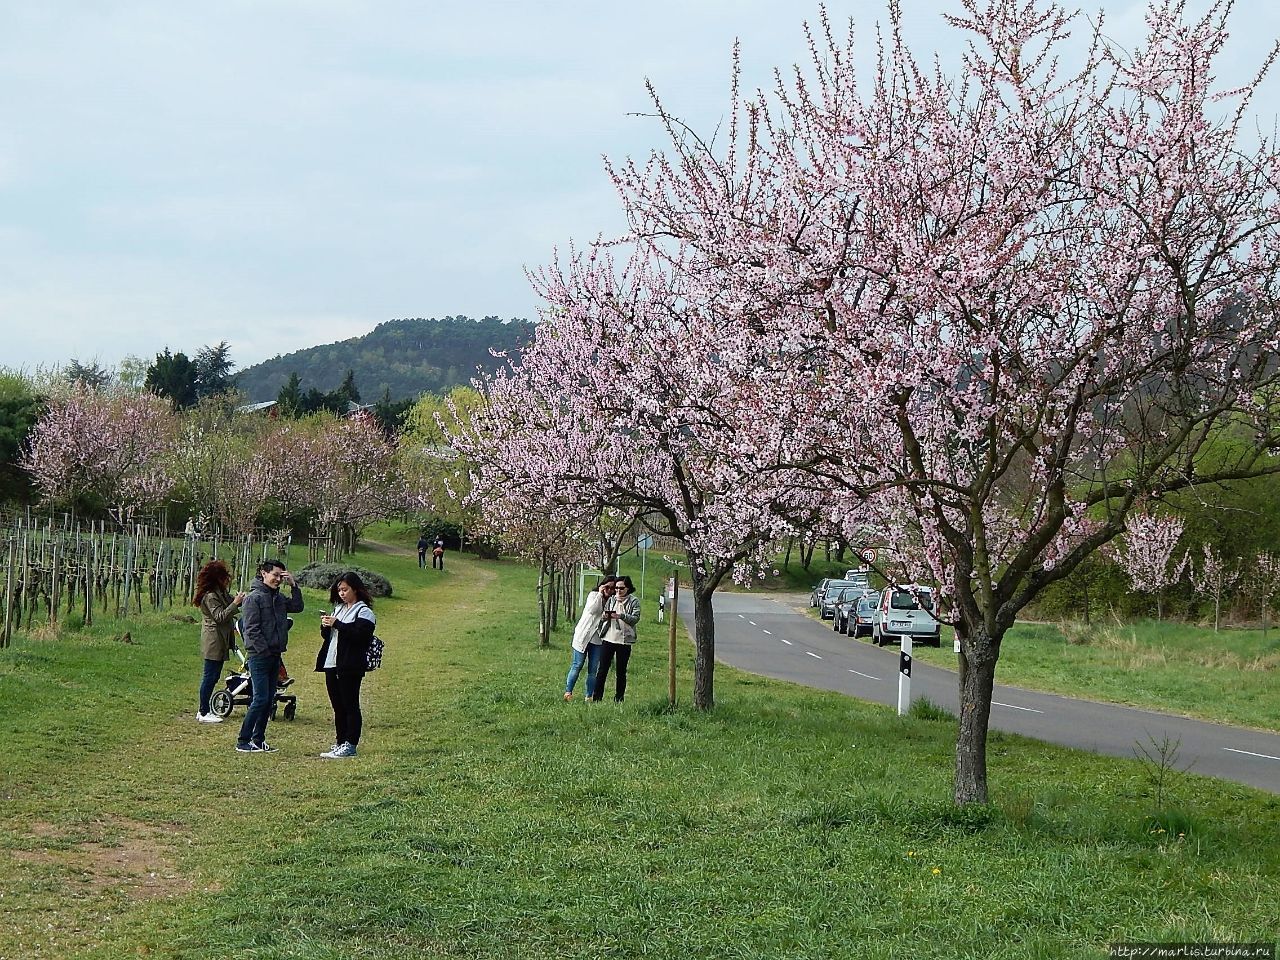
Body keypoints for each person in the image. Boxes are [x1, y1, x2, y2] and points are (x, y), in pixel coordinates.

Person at [235, 559, 303, 753]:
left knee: (268, 698)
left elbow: (297, 607)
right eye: (275, 575)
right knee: (260, 699)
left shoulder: (279, 598)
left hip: (275, 654)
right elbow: (251, 630)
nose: (277, 580)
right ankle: (243, 740)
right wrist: (264, 651)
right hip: (259, 656)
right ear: (263, 574)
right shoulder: (253, 598)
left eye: (281, 576)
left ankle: (258, 740)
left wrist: (294, 585)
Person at [316, 572, 376, 759]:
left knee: (350, 705)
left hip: (350, 665)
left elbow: (360, 636)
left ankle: (351, 744)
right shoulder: (338, 609)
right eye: (339, 590)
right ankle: (340, 741)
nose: (341, 593)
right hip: (331, 663)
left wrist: (338, 624)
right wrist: (326, 626)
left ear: (355, 589)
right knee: (338, 706)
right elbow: (329, 636)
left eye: (345, 589)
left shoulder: (364, 611)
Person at [192, 560, 246, 723]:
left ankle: (205, 709)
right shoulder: (210, 596)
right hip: (213, 641)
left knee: (214, 676)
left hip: (222, 639)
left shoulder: (220, 592)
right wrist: (235, 603)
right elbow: (220, 617)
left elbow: (232, 603)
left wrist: (241, 600)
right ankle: (203, 711)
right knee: (210, 676)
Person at [592, 575, 641, 703]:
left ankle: (619, 698)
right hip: (609, 638)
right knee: (602, 669)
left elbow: (635, 618)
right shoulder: (612, 599)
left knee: (621, 671)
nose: (618, 590)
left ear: (628, 588)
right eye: (617, 588)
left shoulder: (633, 601)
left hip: (624, 641)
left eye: (621, 588)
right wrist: (605, 616)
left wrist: (620, 615)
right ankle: (597, 698)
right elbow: (604, 614)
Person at [565, 577, 614, 701]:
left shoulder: (612, 601)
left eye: (612, 588)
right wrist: (599, 594)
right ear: (602, 586)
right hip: (583, 635)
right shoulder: (593, 595)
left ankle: (589, 696)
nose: (609, 590)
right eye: (607, 587)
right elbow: (592, 610)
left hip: (597, 639)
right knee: (577, 665)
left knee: (593, 669)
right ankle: (568, 692)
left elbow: (610, 616)